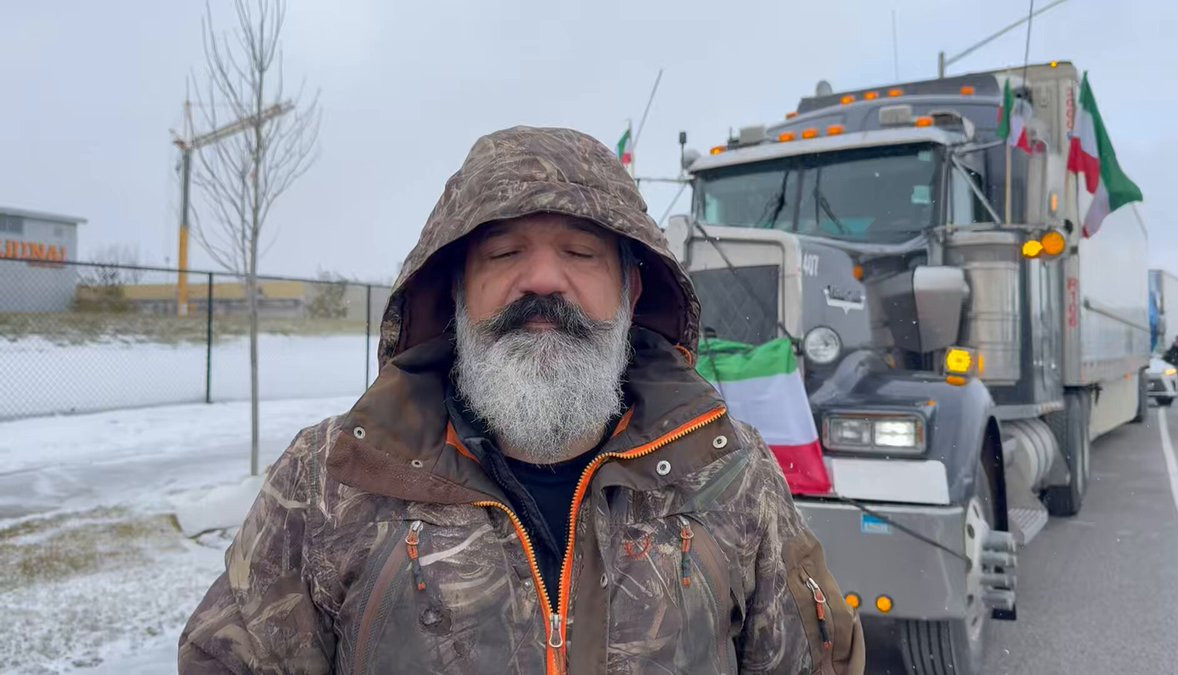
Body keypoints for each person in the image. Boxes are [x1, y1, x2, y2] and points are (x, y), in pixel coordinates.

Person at [178, 126, 863, 674]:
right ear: (455, 293)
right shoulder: (331, 478)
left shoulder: (730, 473)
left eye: (580, 253)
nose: (541, 280)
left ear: (630, 292)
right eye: (503, 253)